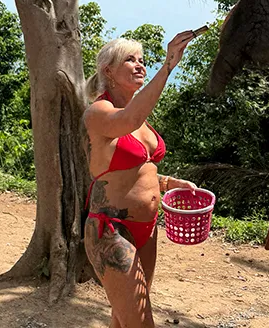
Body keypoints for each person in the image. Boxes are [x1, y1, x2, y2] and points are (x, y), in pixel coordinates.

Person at [82, 31, 199, 328]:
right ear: (108, 71)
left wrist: (170, 183)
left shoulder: (142, 119)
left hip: (147, 230)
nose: (140, 65)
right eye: (130, 60)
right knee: (141, 324)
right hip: (112, 230)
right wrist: (168, 66)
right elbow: (129, 121)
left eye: (142, 60)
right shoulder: (99, 112)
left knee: (123, 320)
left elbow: (137, 172)